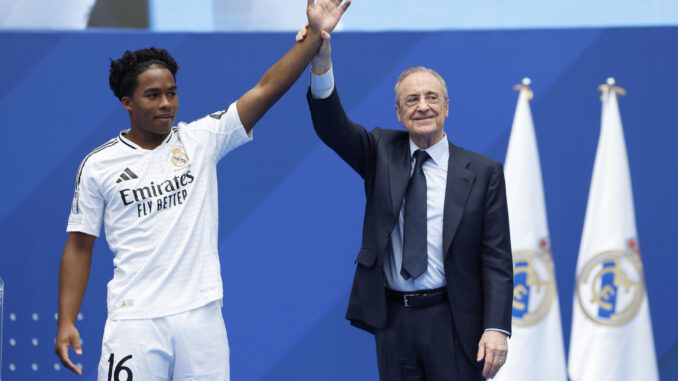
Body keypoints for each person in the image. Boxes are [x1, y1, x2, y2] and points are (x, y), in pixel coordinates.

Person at [54, 1, 351, 380]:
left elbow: (264, 91)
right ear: (127, 102)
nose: (166, 104)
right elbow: (79, 245)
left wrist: (311, 36)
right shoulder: (98, 165)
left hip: (200, 318)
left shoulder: (200, 140)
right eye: (152, 95)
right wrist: (66, 320)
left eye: (172, 93)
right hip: (135, 322)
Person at [299, 29, 513, 380]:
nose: (423, 106)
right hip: (394, 320)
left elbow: (497, 258)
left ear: (447, 107)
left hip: (455, 319)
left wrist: (496, 328)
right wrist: (320, 61)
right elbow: (331, 127)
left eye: (432, 97)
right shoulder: (380, 150)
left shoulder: (484, 172)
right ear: (398, 113)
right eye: (411, 100)